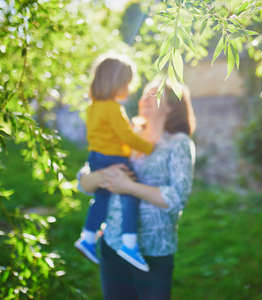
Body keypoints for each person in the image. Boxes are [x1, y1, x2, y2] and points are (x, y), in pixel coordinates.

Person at [78, 80, 196, 299]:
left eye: (154, 95)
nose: (145, 99)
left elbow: (177, 197)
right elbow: (84, 182)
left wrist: (129, 187)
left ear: (171, 106)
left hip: (154, 250)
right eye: (144, 95)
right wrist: (101, 175)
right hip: (112, 245)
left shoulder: (178, 144)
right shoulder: (126, 134)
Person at [75, 55, 155, 272]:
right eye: (127, 84)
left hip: (96, 157)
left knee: (101, 197)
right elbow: (126, 138)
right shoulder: (112, 108)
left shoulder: (93, 107)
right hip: (114, 159)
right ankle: (129, 245)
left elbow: (113, 134)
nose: (129, 89)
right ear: (116, 83)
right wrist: (150, 147)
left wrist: (134, 129)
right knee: (130, 194)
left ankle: (88, 237)